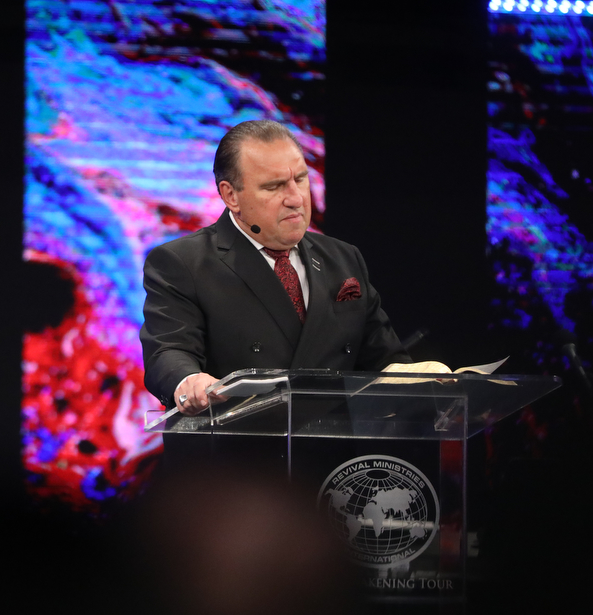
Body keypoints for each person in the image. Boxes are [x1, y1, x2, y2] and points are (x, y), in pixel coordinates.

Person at [141, 120, 409, 416]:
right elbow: (168, 351)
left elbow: (383, 359)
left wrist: (418, 379)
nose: (296, 198)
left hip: (331, 443)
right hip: (236, 442)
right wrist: (189, 380)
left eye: (301, 179)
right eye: (274, 186)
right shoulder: (181, 263)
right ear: (231, 196)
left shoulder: (344, 258)